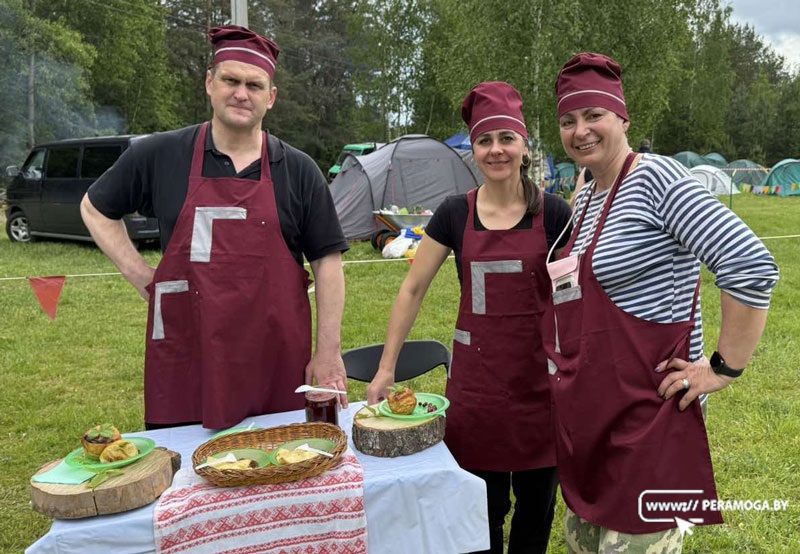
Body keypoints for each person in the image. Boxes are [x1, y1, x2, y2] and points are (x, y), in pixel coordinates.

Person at [545, 52, 779, 553]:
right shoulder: (585, 195)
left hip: (650, 414)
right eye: (568, 121)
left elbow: (752, 266)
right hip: (599, 410)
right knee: (585, 540)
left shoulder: (657, 179)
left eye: (593, 115)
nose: (580, 130)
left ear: (622, 118)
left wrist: (721, 368)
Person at [80, 25, 349, 430]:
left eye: (255, 85)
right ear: (209, 82)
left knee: (277, 465)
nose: (242, 93)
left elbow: (328, 263)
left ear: (271, 97)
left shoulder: (298, 170)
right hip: (187, 351)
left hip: (273, 354)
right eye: (231, 80)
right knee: (190, 473)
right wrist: (141, 276)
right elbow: (95, 208)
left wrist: (328, 351)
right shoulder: (161, 153)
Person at [367, 82, 572, 554]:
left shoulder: (555, 213)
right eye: (484, 140)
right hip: (477, 390)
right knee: (481, 508)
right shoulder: (454, 213)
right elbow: (413, 288)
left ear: (524, 144)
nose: (496, 150)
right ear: (472, 150)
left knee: (536, 508)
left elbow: (576, 298)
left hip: (541, 390)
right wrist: (385, 367)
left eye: (506, 138)